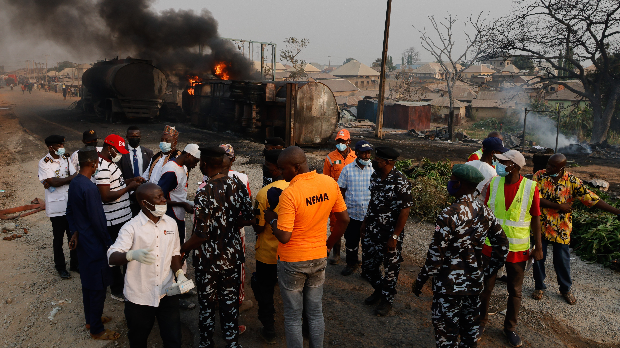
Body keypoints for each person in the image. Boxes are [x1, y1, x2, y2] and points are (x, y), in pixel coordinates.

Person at [412, 164, 509, 348]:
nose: (450, 183)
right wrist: (488, 272)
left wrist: (420, 280)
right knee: (469, 335)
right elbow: (503, 245)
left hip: (448, 287)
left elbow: (435, 256)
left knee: (446, 336)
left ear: (460, 184)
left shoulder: (449, 214)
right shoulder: (485, 211)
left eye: (452, 181)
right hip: (473, 285)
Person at [264, 146, 350, 348]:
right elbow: (344, 219)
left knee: (293, 316)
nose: (281, 173)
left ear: (295, 167)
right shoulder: (329, 183)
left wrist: (272, 221)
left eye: (283, 169)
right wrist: (328, 245)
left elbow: (285, 236)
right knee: (315, 312)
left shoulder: (290, 193)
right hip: (318, 257)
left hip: (293, 261)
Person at [181, 146, 254, 348]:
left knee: (207, 304)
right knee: (229, 303)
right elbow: (248, 217)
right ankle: (232, 342)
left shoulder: (204, 191)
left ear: (204, 164)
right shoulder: (238, 183)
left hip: (208, 260)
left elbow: (201, 235)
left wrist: (183, 249)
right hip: (232, 257)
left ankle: (206, 342)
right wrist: (229, 224)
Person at [532, 153, 620, 305]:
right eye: (548, 164)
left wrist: (617, 211)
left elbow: (591, 198)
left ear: (561, 168)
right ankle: (539, 286)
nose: (548, 167)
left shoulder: (572, 181)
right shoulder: (539, 176)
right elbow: (534, 199)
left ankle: (565, 289)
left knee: (562, 260)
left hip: (562, 227)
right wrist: (559, 206)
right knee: (539, 257)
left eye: (553, 166)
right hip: (541, 225)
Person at [478, 149, 543, 347]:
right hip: (491, 246)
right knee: (485, 287)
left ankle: (510, 328)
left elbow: (536, 218)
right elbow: (484, 212)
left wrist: (538, 247)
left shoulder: (531, 187)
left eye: (502, 162)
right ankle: (480, 322)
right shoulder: (493, 184)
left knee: (515, 291)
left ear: (513, 166)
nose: (498, 165)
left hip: (517, 250)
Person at [108, 183, 185, 348]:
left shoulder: (171, 224)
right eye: (158, 197)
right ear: (144, 203)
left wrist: (180, 274)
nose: (164, 200)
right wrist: (130, 255)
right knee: (138, 339)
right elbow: (112, 257)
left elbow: (174, 253)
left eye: (163, 195)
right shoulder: (131, 228)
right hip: (139, 296)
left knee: (173, 339)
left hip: (167, 292)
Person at [66, 150, 119, 341]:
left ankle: (91, 319)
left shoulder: (75, 183)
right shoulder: (90, 188)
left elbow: (70, 211)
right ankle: (96, 329)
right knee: (98, 286)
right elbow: (98, 221)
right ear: (94, 164)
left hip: (83, 242)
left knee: (87, 283)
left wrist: (74, 232)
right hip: (94, 244)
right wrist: (108, 243)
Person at [361, 147, 413, 316]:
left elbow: (405, 211)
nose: (374, 161)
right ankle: (380, 290)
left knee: (390, 269)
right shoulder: (375, 176)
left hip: (390, 234)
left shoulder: (401, 181)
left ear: (388, 162)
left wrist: (395, 236)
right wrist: (365, 222)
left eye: (378, 159)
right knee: (368, 267)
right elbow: (373, 200)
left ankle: (386, 301)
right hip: (372, 229)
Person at [95, 134, 144, 301]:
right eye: (118, 151)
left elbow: (116, 184)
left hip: (121, 216)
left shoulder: (109, 163)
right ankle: (116, 289)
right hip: (113, 219)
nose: (120, 154)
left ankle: (124, 283)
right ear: (109, 148)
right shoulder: (102, 167)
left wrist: (130, 180)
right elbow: (106, 195)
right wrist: (129, 187)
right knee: (116, 253)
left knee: (125, 250)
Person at [251, 149, 288, 343]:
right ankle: (305, 327)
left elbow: (258, 227)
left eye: (266, 166)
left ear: (275, 168)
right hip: (291, 253)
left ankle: (269, 328)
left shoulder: (264, 193)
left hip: (267, 254)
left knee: (264, 291)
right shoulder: (298, 189)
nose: (265, 169)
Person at [219, 144, 253, 316]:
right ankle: (238, 301)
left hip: (215, 234)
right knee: (238, 267)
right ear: (233, 159)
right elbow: (248, 207)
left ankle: (218, 298)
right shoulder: (241, 178)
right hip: (235, 231)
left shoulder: (207, 177)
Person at [38, 134, 78, 279]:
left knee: (73, 234)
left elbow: (75, 176)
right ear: (51, 147)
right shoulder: (44, 163)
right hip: (57, 207)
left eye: (62, 145)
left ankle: (75, 264)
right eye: (59, 146)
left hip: (70, 204)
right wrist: (63, 180)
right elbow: (53, 182)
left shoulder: (66, 159)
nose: (62, 148)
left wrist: (60, 180)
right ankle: (60, 267)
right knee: (58, 238)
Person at [337, 140, 374, 276]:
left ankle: (367, 269)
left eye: (368, 153)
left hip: (368, 215)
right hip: (352, 214)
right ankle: (351, 263)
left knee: (368, 244)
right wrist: (342, 211)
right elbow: (340, 190)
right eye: (363, 153)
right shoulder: (347, 170)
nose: (366, 156)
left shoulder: (374, 169)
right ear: (357, 153)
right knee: (351, 241)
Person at [323, 129, 357, 265]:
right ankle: (336, 254)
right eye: (339, 141)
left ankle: (352, 255)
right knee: (335, 225)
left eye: (343, 141)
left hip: (352, 197)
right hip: (336, 198)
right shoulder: (330, 157)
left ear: (349, 141)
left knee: (353, 226)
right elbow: (326, 179)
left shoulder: (356, 157)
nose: (340, 143)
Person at [157, 144, 200, 245]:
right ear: (188, 155)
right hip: (170, 216)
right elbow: (158, 198)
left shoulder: (182, 168)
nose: (195, 165)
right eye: (195, 161)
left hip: (178, 214)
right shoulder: (171, 170)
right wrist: (182, 204)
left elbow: (178, 193)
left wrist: (186, 202)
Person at [120, 126, 154, 216]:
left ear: (140, 137)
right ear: (127, 137)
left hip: (144, 193)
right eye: (132, 136)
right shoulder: (121, 153)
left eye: (137, 136)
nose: (134, 138)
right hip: (127, 194)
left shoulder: (149, 153)